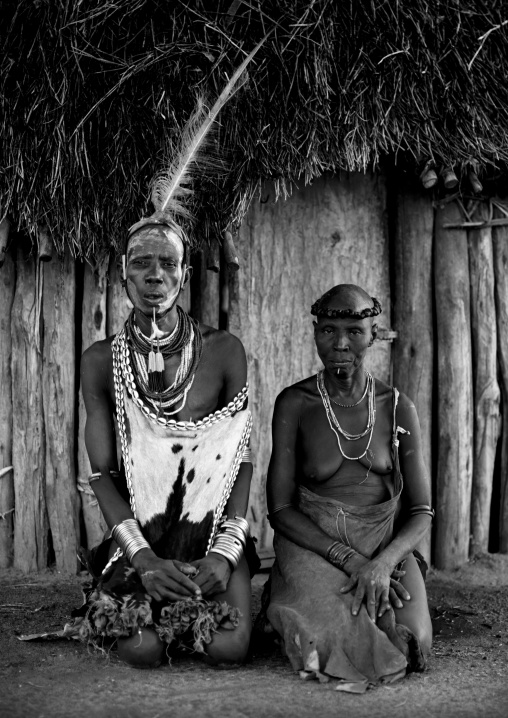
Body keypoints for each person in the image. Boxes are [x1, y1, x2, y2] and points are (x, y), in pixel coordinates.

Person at [65, 217, 257, 667]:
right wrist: (144, 558)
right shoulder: (101, 360)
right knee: (144, 649)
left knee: (227, 647)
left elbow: (240, 461)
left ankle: (202, 593)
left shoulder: (225, 351)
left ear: (184, 275)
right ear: (123, 274)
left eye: (168, 263)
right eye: (142, 264)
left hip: (209, 532)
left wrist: (226, 555)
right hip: (142, 537)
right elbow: (101, 474)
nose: (155, 275)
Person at [264, 284, 433, 693]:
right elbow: (281, 508)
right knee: (329, 641)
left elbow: (421, 510)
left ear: (374, 335)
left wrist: (381, 562)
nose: (339, 343)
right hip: (314, 543)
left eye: (354, 332)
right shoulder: (295, 404)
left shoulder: (396, 406)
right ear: (316, 332)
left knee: (411, 645)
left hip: (383, 545)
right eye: (328, 330)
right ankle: (293, 593)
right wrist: (349, 561)